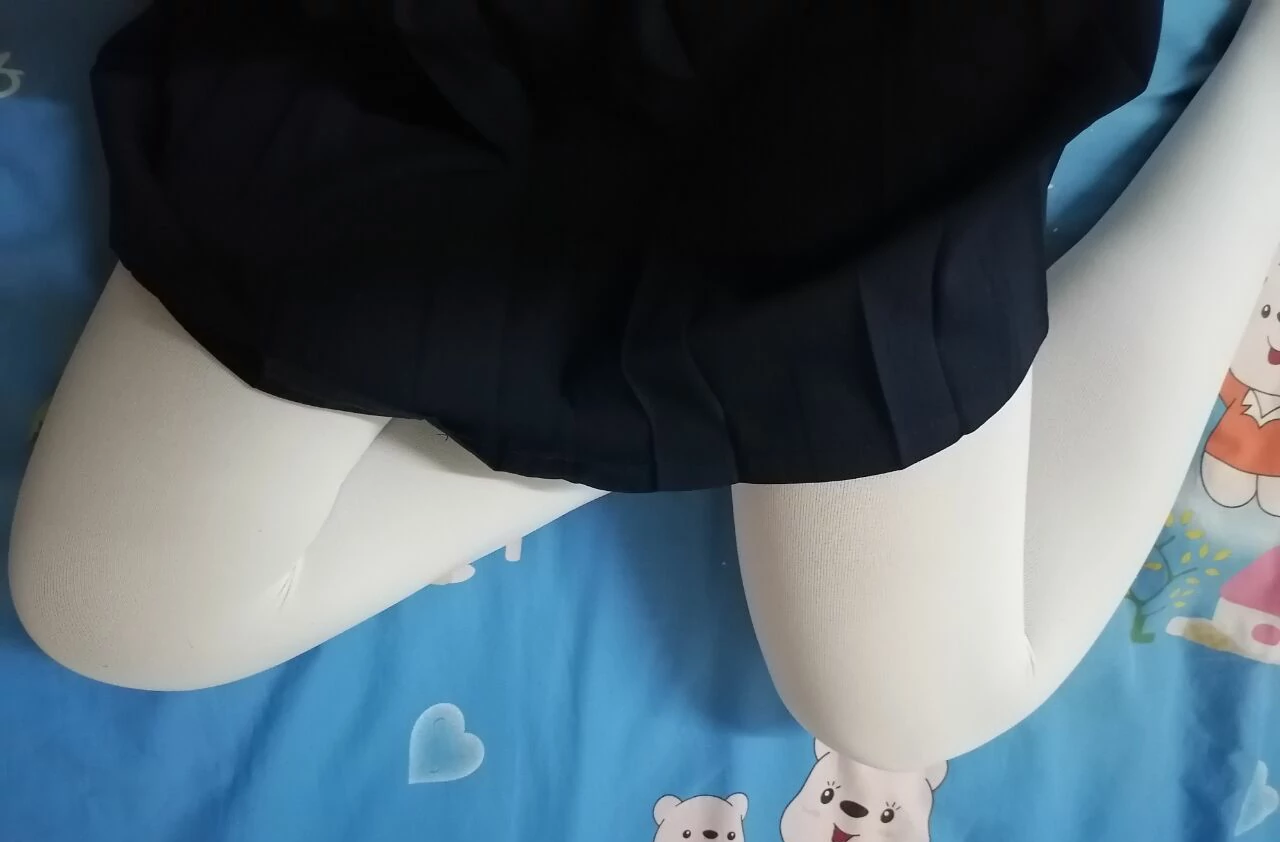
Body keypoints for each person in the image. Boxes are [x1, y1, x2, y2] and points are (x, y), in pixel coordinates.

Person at [10, 0, 1280, 771]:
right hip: (446, 68)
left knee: (909, 704)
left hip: (846, 100)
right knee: (114, 607)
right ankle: (678, 401)